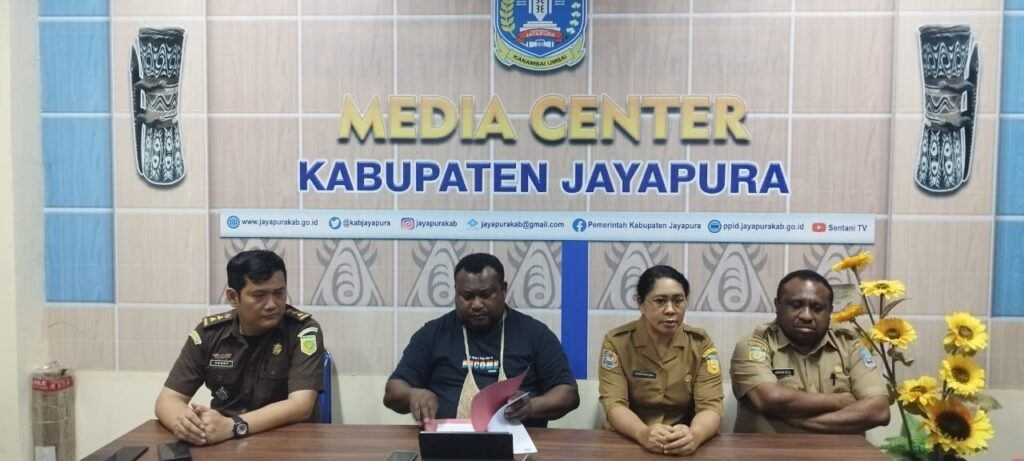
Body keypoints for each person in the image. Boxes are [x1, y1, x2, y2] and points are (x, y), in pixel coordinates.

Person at [384, 252, 579, 427]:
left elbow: (568, 394)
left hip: (518, 443)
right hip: (447, 443)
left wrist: (532, 406)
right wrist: (413, 395)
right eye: (467, 296)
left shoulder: (535, 334)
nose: (476, 304)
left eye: (485, 295)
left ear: (503, 289)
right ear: (456, 291)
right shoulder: (433, 333)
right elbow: (393, 391)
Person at [155, 249, 325, 445]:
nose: (272, 304)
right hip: (225, 442)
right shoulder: (209, 334)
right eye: (259, 295)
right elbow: (167, 400)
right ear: (233, 297)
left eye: (279, 293)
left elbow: (301, 405)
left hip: (287, 444)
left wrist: (234, 426)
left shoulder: (303, 331)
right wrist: (190, 426)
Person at [730, 269, 890, 434]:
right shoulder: (756, 344)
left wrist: (799, 421)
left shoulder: (850, 345)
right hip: (767, 449)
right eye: (796, 305)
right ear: (778, 305)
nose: (806, 316)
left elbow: (879, 411)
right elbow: (770, 398)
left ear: (830, 311)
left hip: (839, 449)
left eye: (817, 308)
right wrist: (841, 400)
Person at [598, 265, 723, 456]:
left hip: (681, 442)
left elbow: (711, 405)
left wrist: (695, 435)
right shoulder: (617, 342)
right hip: (629, 440)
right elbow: (614, 403)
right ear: (640, 303)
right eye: (660, 301)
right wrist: (642, 433)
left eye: (678, 301)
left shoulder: (700, 343)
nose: (671, 310)